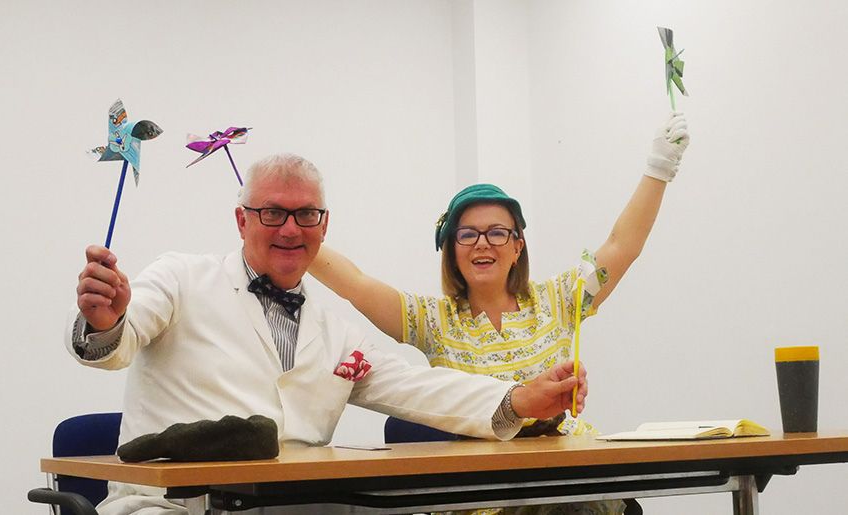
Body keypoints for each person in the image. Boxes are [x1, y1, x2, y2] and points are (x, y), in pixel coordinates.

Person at [69, 153, 589, 515]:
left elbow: (417, 387)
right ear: (241, 220)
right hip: (171, 505)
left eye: (307, 214)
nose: (291, 228)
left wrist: (520, 398)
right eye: (272, 212)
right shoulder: (179, 278)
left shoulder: (335, 334)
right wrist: (107, 320)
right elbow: (120, 339)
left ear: (324, 225)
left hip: (289, 504)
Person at [308, 113, 690, 515]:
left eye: (497, 232)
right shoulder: (431, 320)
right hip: (485, 497)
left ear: (517, 247)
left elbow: (621, 245)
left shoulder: (559, 299)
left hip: (570, 484)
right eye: (467, 234)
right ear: (451, 250)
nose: (482, 244)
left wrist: (659, 167)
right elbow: (354, 282)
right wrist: (294, 233)